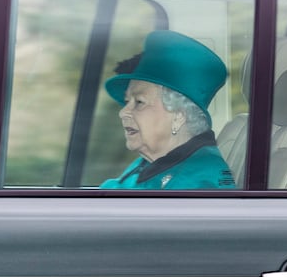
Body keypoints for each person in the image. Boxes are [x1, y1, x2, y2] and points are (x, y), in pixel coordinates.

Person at [100, 30, 235, 189]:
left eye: (139, 102)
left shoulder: (201, 185)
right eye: (127, 101)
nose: (123, 112)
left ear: (179, 116)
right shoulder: (151, 162)